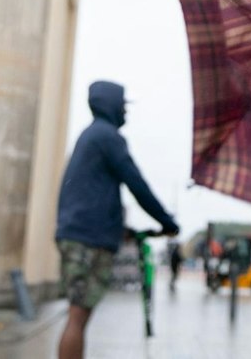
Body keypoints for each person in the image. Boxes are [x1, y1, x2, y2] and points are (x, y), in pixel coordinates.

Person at [54, 81, 179, 359]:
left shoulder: (91, 136)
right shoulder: (107, 137)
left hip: (79, 232)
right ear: (110, 104)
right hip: (86, 239)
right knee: (78, 316)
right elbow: (136, 183)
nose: (125, 111)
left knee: (79, 315)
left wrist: (119, 228)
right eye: (123, 105)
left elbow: (89, 196)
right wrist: (167, 222)